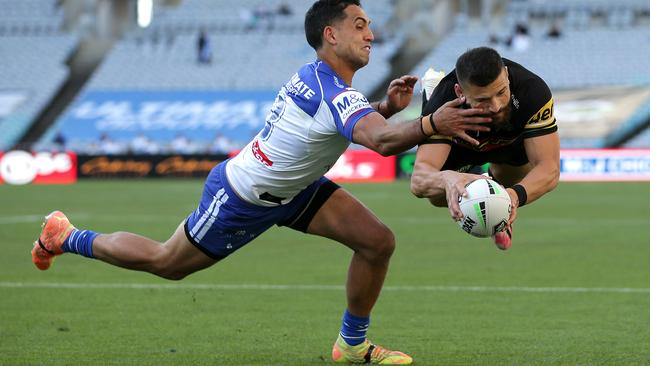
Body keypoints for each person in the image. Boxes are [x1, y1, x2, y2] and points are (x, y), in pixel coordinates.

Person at [30, 1, 491, 364]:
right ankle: (67, 236)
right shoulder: (331, 91)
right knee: (166, 262)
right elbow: (384, 143)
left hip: (295, 189)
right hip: (242, 197)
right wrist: (432, 123)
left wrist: (387, 111)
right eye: (359, 24)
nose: (371, 33)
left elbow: (352, 128)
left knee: (376, 242)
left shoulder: (324, 82)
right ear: (330, 34)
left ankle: (351, 346)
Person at [411, 46, 560, 250]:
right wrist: (447, 179)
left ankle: (492, 199)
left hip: (508, 143)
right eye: (483, 100)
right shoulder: (444, 103)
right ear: (459, 92)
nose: (496, 105)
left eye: (501, 92)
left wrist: (512, 197)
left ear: (506, 75)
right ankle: (430, 93)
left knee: (517, 177)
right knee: (437, 197)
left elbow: (549, 168)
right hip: (458, 144)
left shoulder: (532, 91)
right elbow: (419, 180)